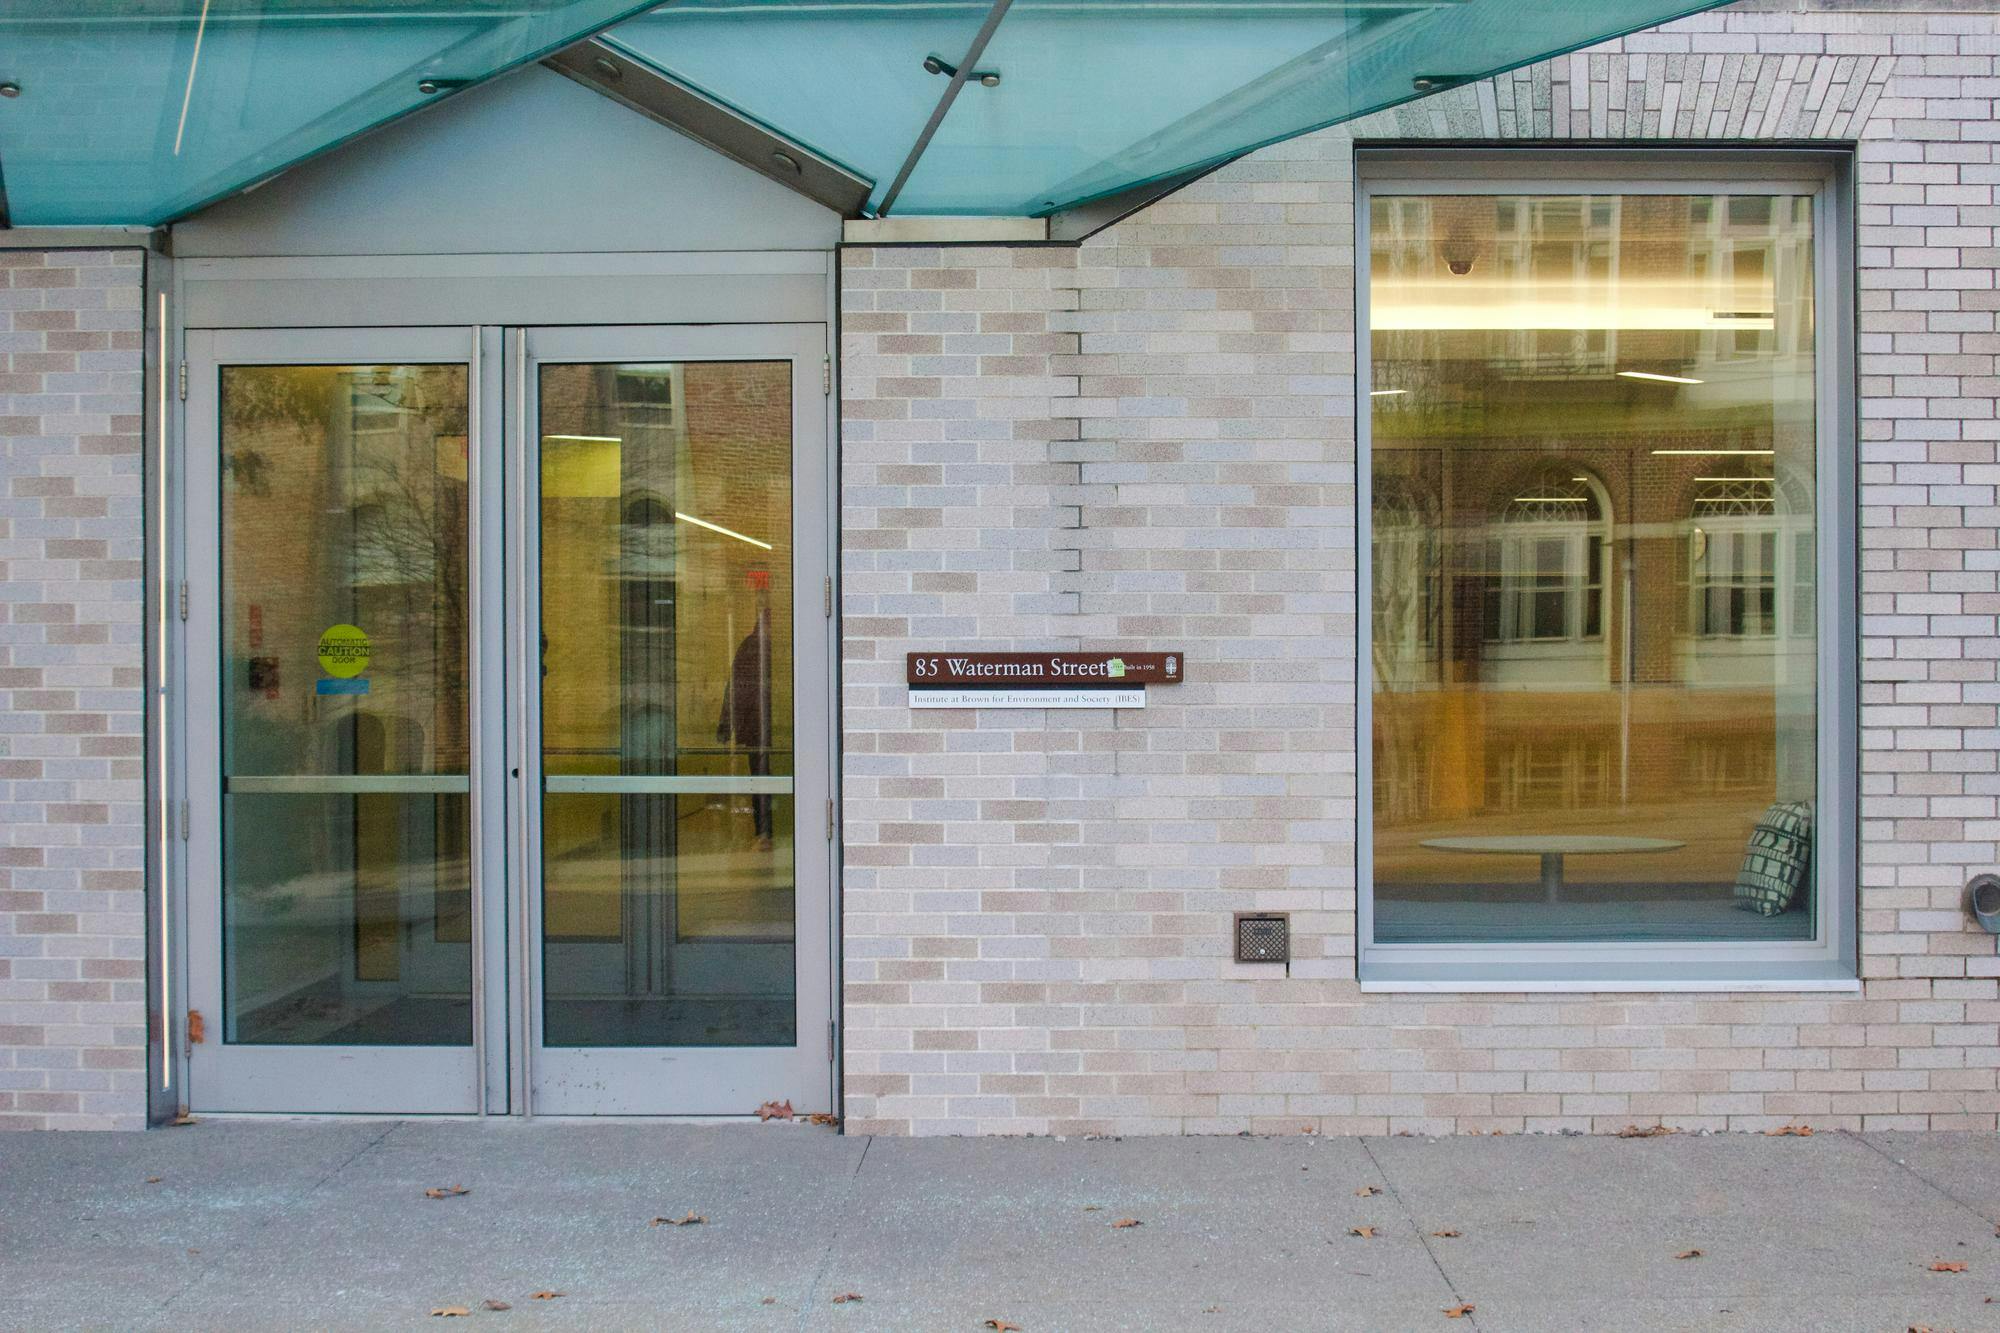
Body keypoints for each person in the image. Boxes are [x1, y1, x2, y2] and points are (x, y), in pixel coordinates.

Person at [716, 605, 773, 851]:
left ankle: (764, 833)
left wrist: (727, 724)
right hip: (758, 729)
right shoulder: (756, 648)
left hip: (758, 728)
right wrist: (727, 724)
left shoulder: (754, 646)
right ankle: (763, 834)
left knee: (761, 779)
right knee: (761, 779)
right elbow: (740, 688)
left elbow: (736, 687)